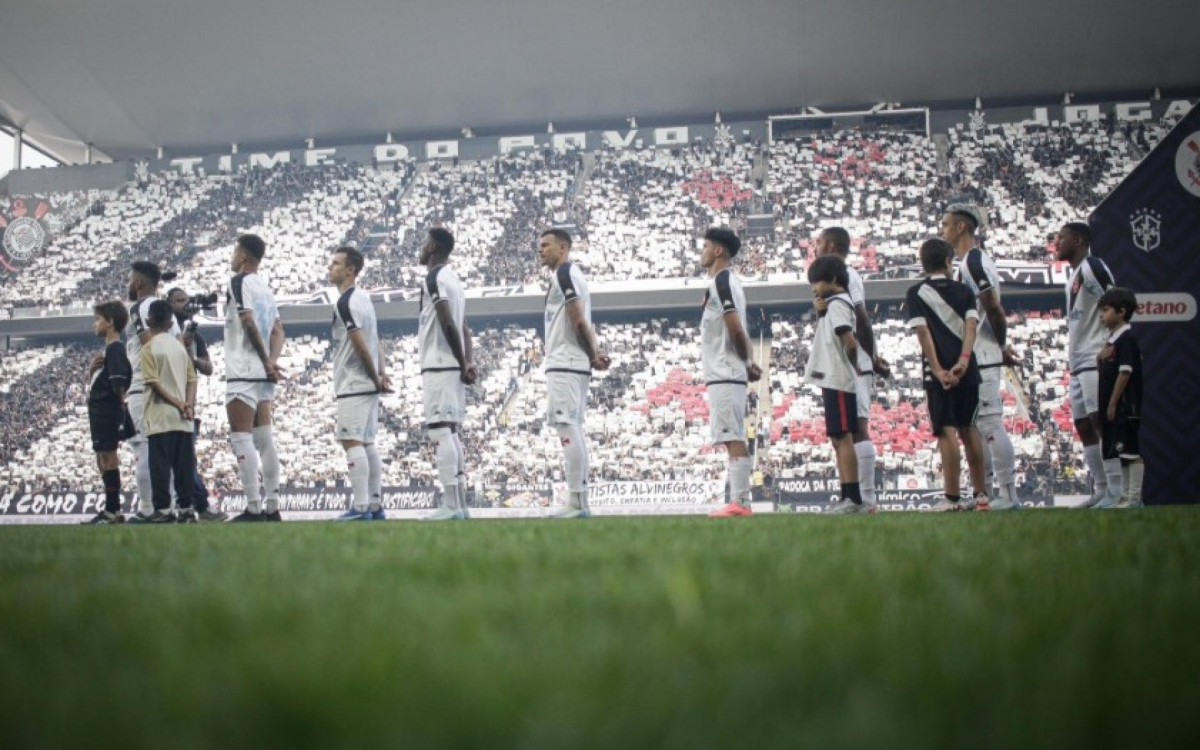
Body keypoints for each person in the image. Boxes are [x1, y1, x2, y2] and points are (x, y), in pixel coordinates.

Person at [941, 203, 1016, 511]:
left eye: (946, 224)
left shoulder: (974, 262)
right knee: (975, 424)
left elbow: (994, 307)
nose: (942, 230)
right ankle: (984, 493)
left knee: (989, 422)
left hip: (984, 353)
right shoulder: (966, 263)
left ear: (961, 227)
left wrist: (1000, 346)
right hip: (976, 353)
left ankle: (1009, 494)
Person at [906, 238, 989, 512]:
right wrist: (963, 362)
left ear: (924, 263)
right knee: (970, 427)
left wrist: (938, 369)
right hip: (968, 368)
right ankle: (981, 496)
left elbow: (923, 333)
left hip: (937, 372)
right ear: (947, 262)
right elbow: (971, 327)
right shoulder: (964, 291)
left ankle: (952, 498)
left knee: (947, 430)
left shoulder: (916, 292)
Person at [814, 227, 890, 510]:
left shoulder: (848, 277)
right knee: (847, 429)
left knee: (857, 427)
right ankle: (854, 496)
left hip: (853, 362)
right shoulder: (834, 284)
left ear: (831, 245)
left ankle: (865, 498)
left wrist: (871, 356)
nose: (816, 247)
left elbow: (861, 318)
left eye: (819, 242)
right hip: (844, 362)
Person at [539, 228, 610, 519]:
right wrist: (594, 351)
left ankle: (578, 503)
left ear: (563, 248)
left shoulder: (565, 274)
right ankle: (578, 501)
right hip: (572, 360)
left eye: (546, 245)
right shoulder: (569, 275)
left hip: (566, 361)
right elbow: (582, 322)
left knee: (567, 426)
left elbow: (579, 320)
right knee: (572, 427)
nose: (540, 250)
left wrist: (593, 353)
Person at [1054, 222, 1122, 508]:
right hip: (1078, 361)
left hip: (1096, 356)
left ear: (1079, 240)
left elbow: (1117, 298)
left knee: (1101, 420)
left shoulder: (1092, 266)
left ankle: (1118, 490)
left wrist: (1114, 341)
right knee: (1083, 423)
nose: (1056, 242)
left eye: (1062, 237)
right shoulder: (1073, 277)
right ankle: (1102, 489)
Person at [699, 227, 762, 518]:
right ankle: (740, 501)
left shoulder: (723, 281)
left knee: (732, 435)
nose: (702, 252)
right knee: (730, 435)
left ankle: (740, 502)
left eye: (705, 246)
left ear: (718, 251)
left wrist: (747, 362)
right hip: (724, 370)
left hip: (725, 370)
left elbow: (735, 326)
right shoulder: (723, 283)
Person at [223, 234, 286, 523]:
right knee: (265, 438)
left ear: (244, 257)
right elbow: (278, 330)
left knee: (241, 437)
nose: (233, 257)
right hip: (262, 371)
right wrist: (272, 362)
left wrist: (264, 361)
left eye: (236, 251)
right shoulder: (266, 288)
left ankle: (252, 506)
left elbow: (247, 321)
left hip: (243, 368)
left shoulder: (239, 282)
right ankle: (272, 505)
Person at [327, 246, 392, 521]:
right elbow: (375, 340)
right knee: (367, 443)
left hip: (354, 382)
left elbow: (361, 344)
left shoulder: (346, 302)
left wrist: (375, 375)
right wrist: (381, 373)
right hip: (368, 382)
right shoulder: (365, 300)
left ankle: (361, 506)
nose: (330, 268)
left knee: (352, 441)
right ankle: (375, 506)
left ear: (350, 270)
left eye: (336, 263)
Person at [417, 228, 477, 521]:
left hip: (440, 362)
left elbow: (447, 322)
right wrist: (468, 361)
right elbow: (464, 325)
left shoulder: (435, 278)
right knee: (450, 432)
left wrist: (462, 361)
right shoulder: (454, 280)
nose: (421, 247)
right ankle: (460, 504)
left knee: (440, 431)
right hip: (452, 364)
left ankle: (451, 505)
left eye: (424, 242)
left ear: (433, 246)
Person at [804, 254, 869, 514]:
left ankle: (852, 498)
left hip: (839, 377)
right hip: (833, 378)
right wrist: (820, 314)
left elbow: (849, 341)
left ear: (832, 279)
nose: (813, 288)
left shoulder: (839, 303)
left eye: (816, 282)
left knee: (843, 438)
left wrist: (854, 365)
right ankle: (847, 496)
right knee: (838, 438)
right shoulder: (832, 305)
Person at [123, 261, 181, 523]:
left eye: (129, 280)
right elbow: (180, 347)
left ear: (138, 282)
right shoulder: (169, 314)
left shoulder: (138, 309)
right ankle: (166, 507)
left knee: (144, 448)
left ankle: (147, 509)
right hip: (172, 386)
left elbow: (149, 345)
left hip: (143, 385)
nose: (128, 285)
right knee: (163, 451)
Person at [167, 287, 226, 522]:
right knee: (178, 460)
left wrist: (191, 357)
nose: (185, 305)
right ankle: (192, 505)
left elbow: (209, 368)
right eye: (179, 301)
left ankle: (197, 504)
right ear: (168, 304)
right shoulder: (163, 333)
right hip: (169, 398)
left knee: (185, 459)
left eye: (187, 301)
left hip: (187, 402)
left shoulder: (194, 336)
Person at [139, 300, 198, 523]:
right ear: (172, 321)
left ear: (148, 321)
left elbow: (153, 383)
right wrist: (188, 405)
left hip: (161, 415)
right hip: (183, 418)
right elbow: (192, 379)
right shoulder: (179, 348)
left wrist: (176, 403)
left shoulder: (149, 348)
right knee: (183, 467)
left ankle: (163, 510)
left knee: (161, 467)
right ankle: (186, 508)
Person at [81, 301, 133, 525]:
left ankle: (113, 509)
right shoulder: (109, 351)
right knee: (102, 458)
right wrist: (93, 371)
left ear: (110, 322)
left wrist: (120, 409)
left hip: (107, 411)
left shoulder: (116, 349)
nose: (95, 323)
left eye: (98, 319)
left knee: (108, 458)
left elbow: (119, 383)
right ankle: (112, 509)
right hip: (100, 411)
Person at [1095, 288, 1144, 509]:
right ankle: (1125, 495)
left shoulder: (1127, 338)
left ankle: (1134, 496)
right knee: (1122, 452)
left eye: (1105, 310)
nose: (1101, 315)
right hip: (1112, 404)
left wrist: (1114, 402)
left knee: (1131, 450)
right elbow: (1106, 371)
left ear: (1121, 312)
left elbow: (1125, 372)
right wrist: (1098, 358)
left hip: (1126, 405)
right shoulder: (1112, 341)